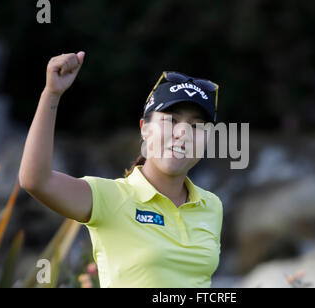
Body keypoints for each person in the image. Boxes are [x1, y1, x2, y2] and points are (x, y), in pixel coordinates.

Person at [18, 51, 223, 288]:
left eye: (196, 126)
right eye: (171, 121)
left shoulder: (212, 206)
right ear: (145, 129)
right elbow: (35, 181)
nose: (182, 134)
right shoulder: (111, 197)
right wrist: (51, 94)